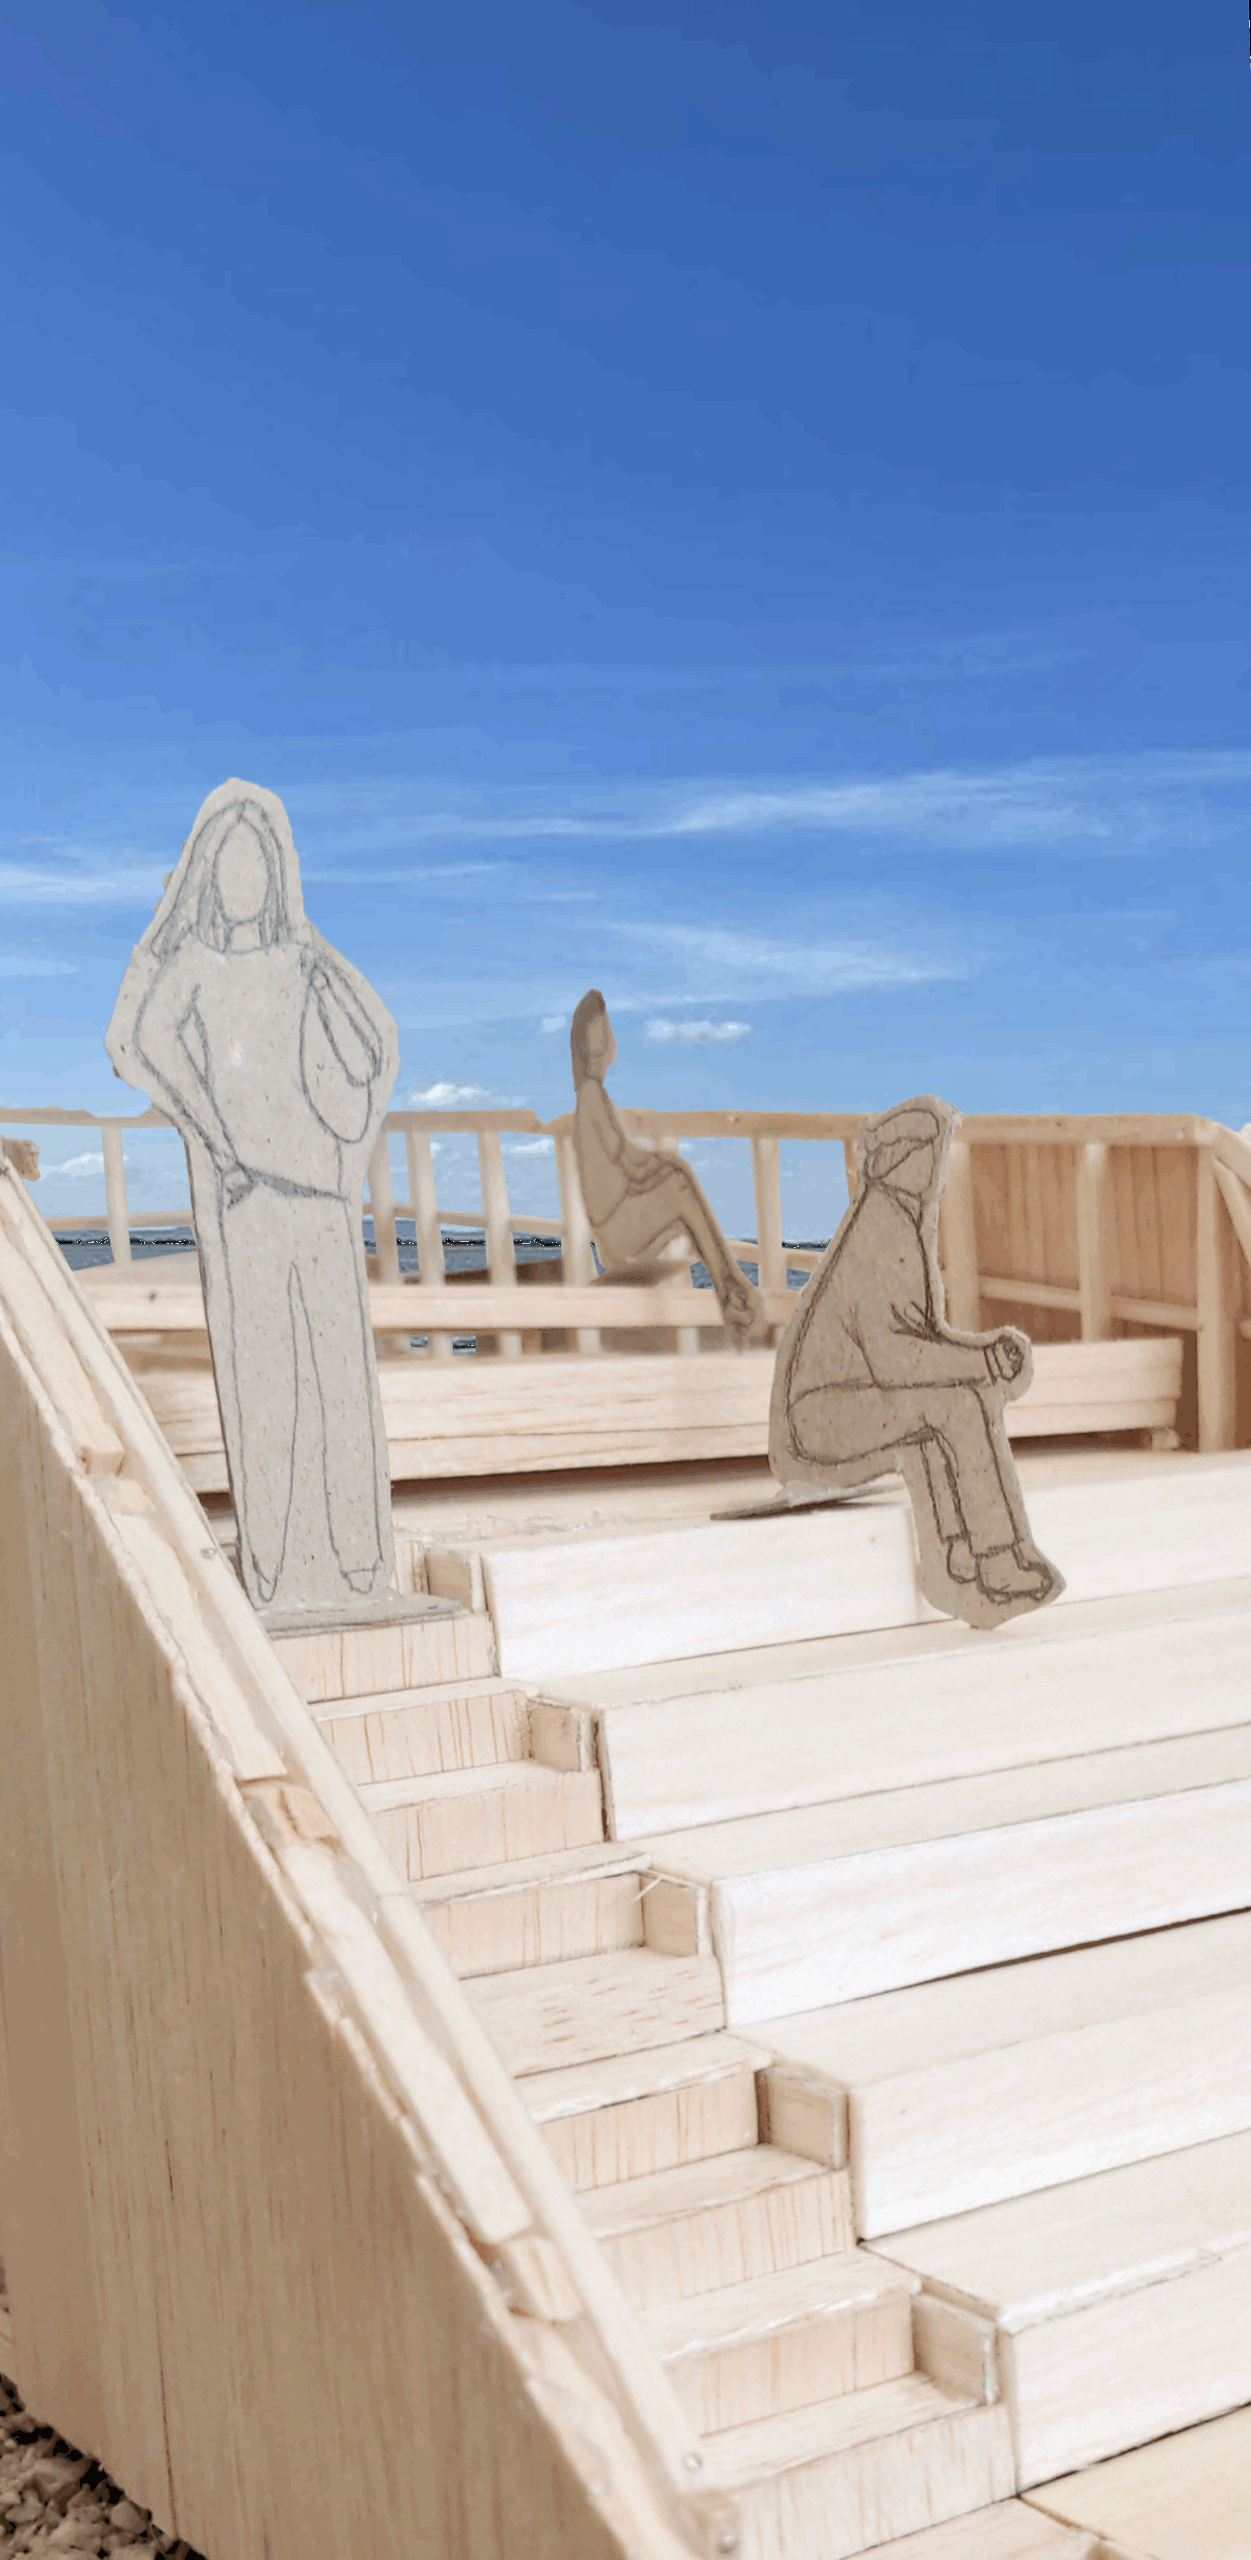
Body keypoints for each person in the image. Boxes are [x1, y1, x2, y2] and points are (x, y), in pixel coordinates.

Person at [106, 780, 398, 1612]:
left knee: (342, 1381)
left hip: (324, 1198)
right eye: (229, 865)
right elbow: (135, 1041)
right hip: (253, 1200)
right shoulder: (194, 966)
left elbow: (379, 1044)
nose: (244, 881)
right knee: (268, 1387)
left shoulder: (302, 959)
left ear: (276, 875)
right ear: (209, 875)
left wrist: (310, 937)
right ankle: (272, 1562)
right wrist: (214, 1138)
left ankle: (358, 1557)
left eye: (257, 865)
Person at [770, 1097, 1060, 1614]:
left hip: (851, 1399)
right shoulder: (881, 1232)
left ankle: (958, 1552)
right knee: (954, 1405)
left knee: (945, 1405)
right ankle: (996, 1559)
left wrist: (979, 1358)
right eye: (931, 1153)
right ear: (903, 1161)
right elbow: (894, 1361)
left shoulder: (898, 1223)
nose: (938, 1168)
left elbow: (915, 1342)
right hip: (823, 1413)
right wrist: (983, 1362)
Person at [570, 988, 770, 1347]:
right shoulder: (591, 1096)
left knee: (681, 1188)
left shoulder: (594, 1096)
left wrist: (665, 1165)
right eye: (600, 1036)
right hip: (616, 1229)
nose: (606, 1043)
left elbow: (628, 1161)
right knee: (679, 1185)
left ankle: (729, 1287)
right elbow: (628, 1165)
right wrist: (667, 1166)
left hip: (616, 1218)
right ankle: (731, 1288)